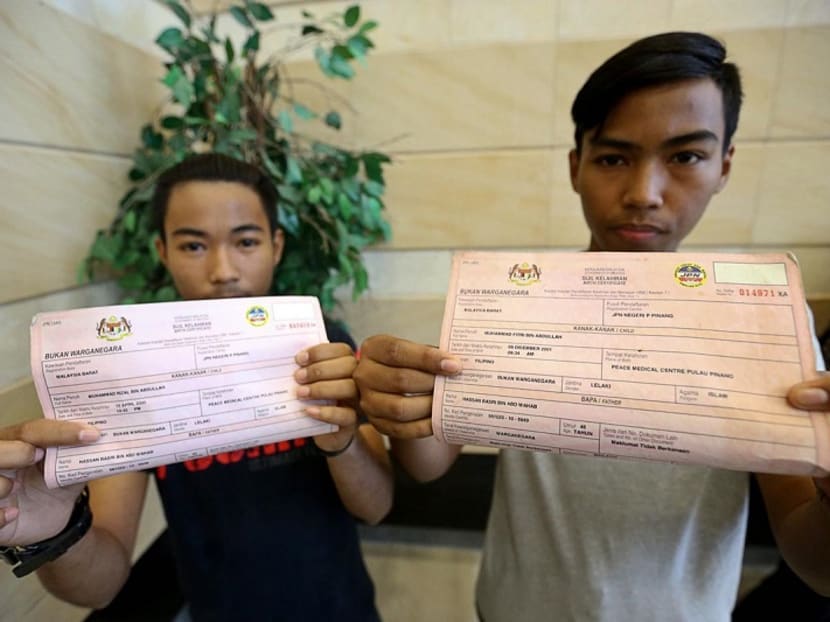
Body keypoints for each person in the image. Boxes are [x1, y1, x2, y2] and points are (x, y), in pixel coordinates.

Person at [353, 32, 830, 621]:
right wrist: (398, 395)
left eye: (685, 157)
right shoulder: (516, 296)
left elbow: (818, 566)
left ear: (723, 166)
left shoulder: (762, 321)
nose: (644, 194)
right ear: (576, 166)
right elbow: (428, 462)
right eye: (613, 158)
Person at [0, 153, 393, 621]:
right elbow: (100, 586)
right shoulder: (129, 371)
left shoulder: (324, 345)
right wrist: (55, 532)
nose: (223, 270)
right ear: (163, 251)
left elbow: (376, 507)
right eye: (193, 246)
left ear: (276, 246)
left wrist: (342, 441)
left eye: (246, 241)